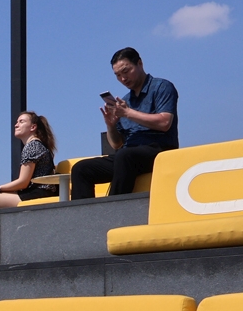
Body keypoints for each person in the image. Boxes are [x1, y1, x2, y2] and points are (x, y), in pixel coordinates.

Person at [72, 47, 179, 199]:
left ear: (140, 64)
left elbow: (164, 122)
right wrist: (111, 125)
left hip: (158, 150)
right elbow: (116, 144)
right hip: (128, 155)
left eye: (126, 71)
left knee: (124, 156)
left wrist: (128, 113)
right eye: (118, 75)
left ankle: (112, 208)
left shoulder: (161, 87)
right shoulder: (125, 101)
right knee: (81, 169)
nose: (123, 78)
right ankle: (83, 214)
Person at [0, 112, 59, 210]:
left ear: (33, 127)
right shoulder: (37, 145)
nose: (16, 125)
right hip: (38, 192)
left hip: (38, 193)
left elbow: (23, 182)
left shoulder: (32, 146)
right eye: (17, 122)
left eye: (21, 122)